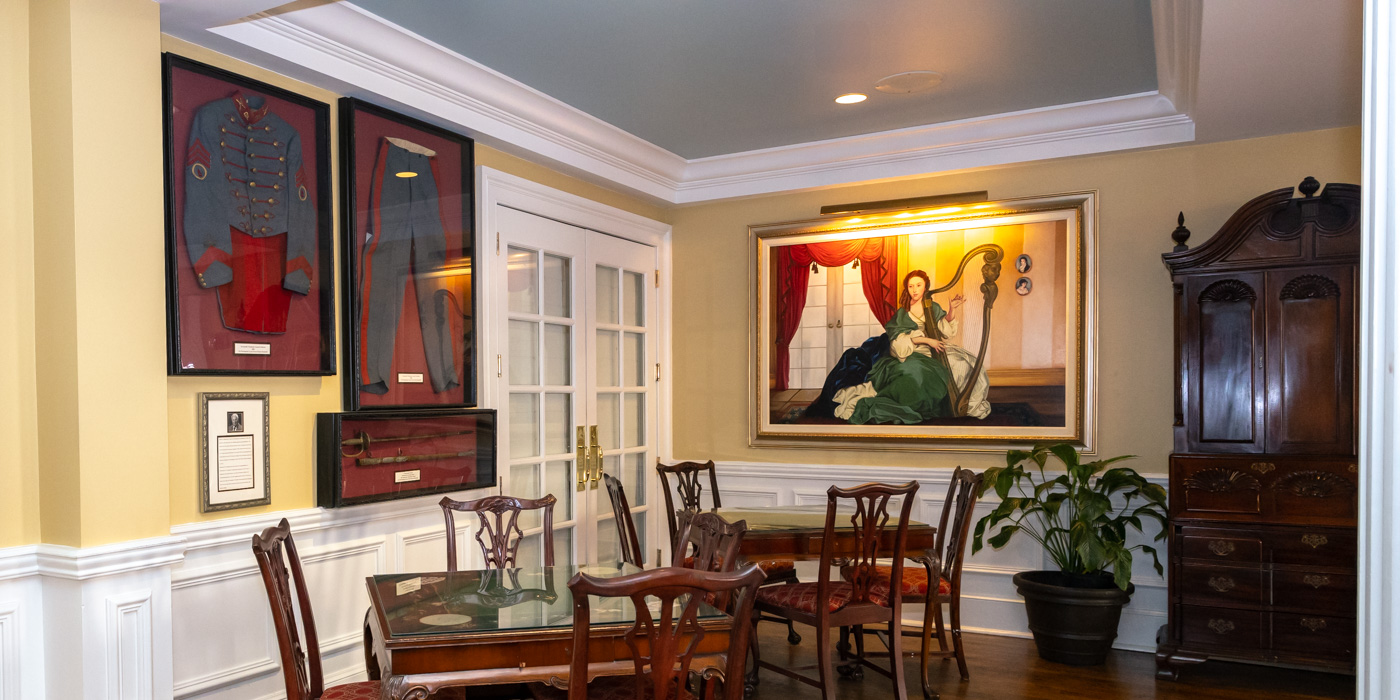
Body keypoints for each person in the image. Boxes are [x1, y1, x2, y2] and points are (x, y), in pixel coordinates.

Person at [832, 270, 992, 423]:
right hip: (909, 353)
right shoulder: (902, 314)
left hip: (933, 351)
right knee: (915, 375)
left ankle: (957, 405)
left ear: (925, 287)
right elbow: (898, 346)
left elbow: (945, 332)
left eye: (918, 285)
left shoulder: (932, 307)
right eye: (910, 286)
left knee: (964, 365)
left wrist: (952, 310)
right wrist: (927, 341)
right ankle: (902, 405)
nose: (914, 290)